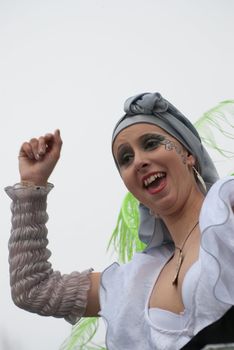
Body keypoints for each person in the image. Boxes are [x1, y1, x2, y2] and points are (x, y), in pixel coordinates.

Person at [5, 92, 234, 350]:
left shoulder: (226, 209)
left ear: (188, 153)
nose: (139, 161)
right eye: (126, 158)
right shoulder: (134, 284)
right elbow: (33, 289)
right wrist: (32, 185)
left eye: (151, 143)